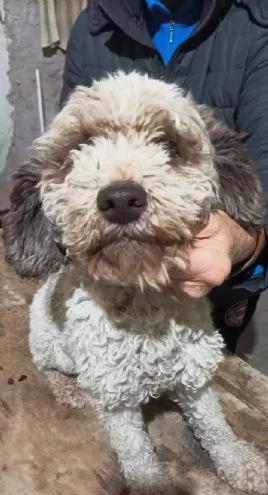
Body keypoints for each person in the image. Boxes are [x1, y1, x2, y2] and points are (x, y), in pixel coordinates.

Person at [60, 0, 268, 353]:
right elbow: (67, 155)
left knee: (216, 373)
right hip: (110, 295)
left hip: (222, 285)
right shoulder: (92, 27)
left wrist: (242, 242)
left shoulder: (257, 23)